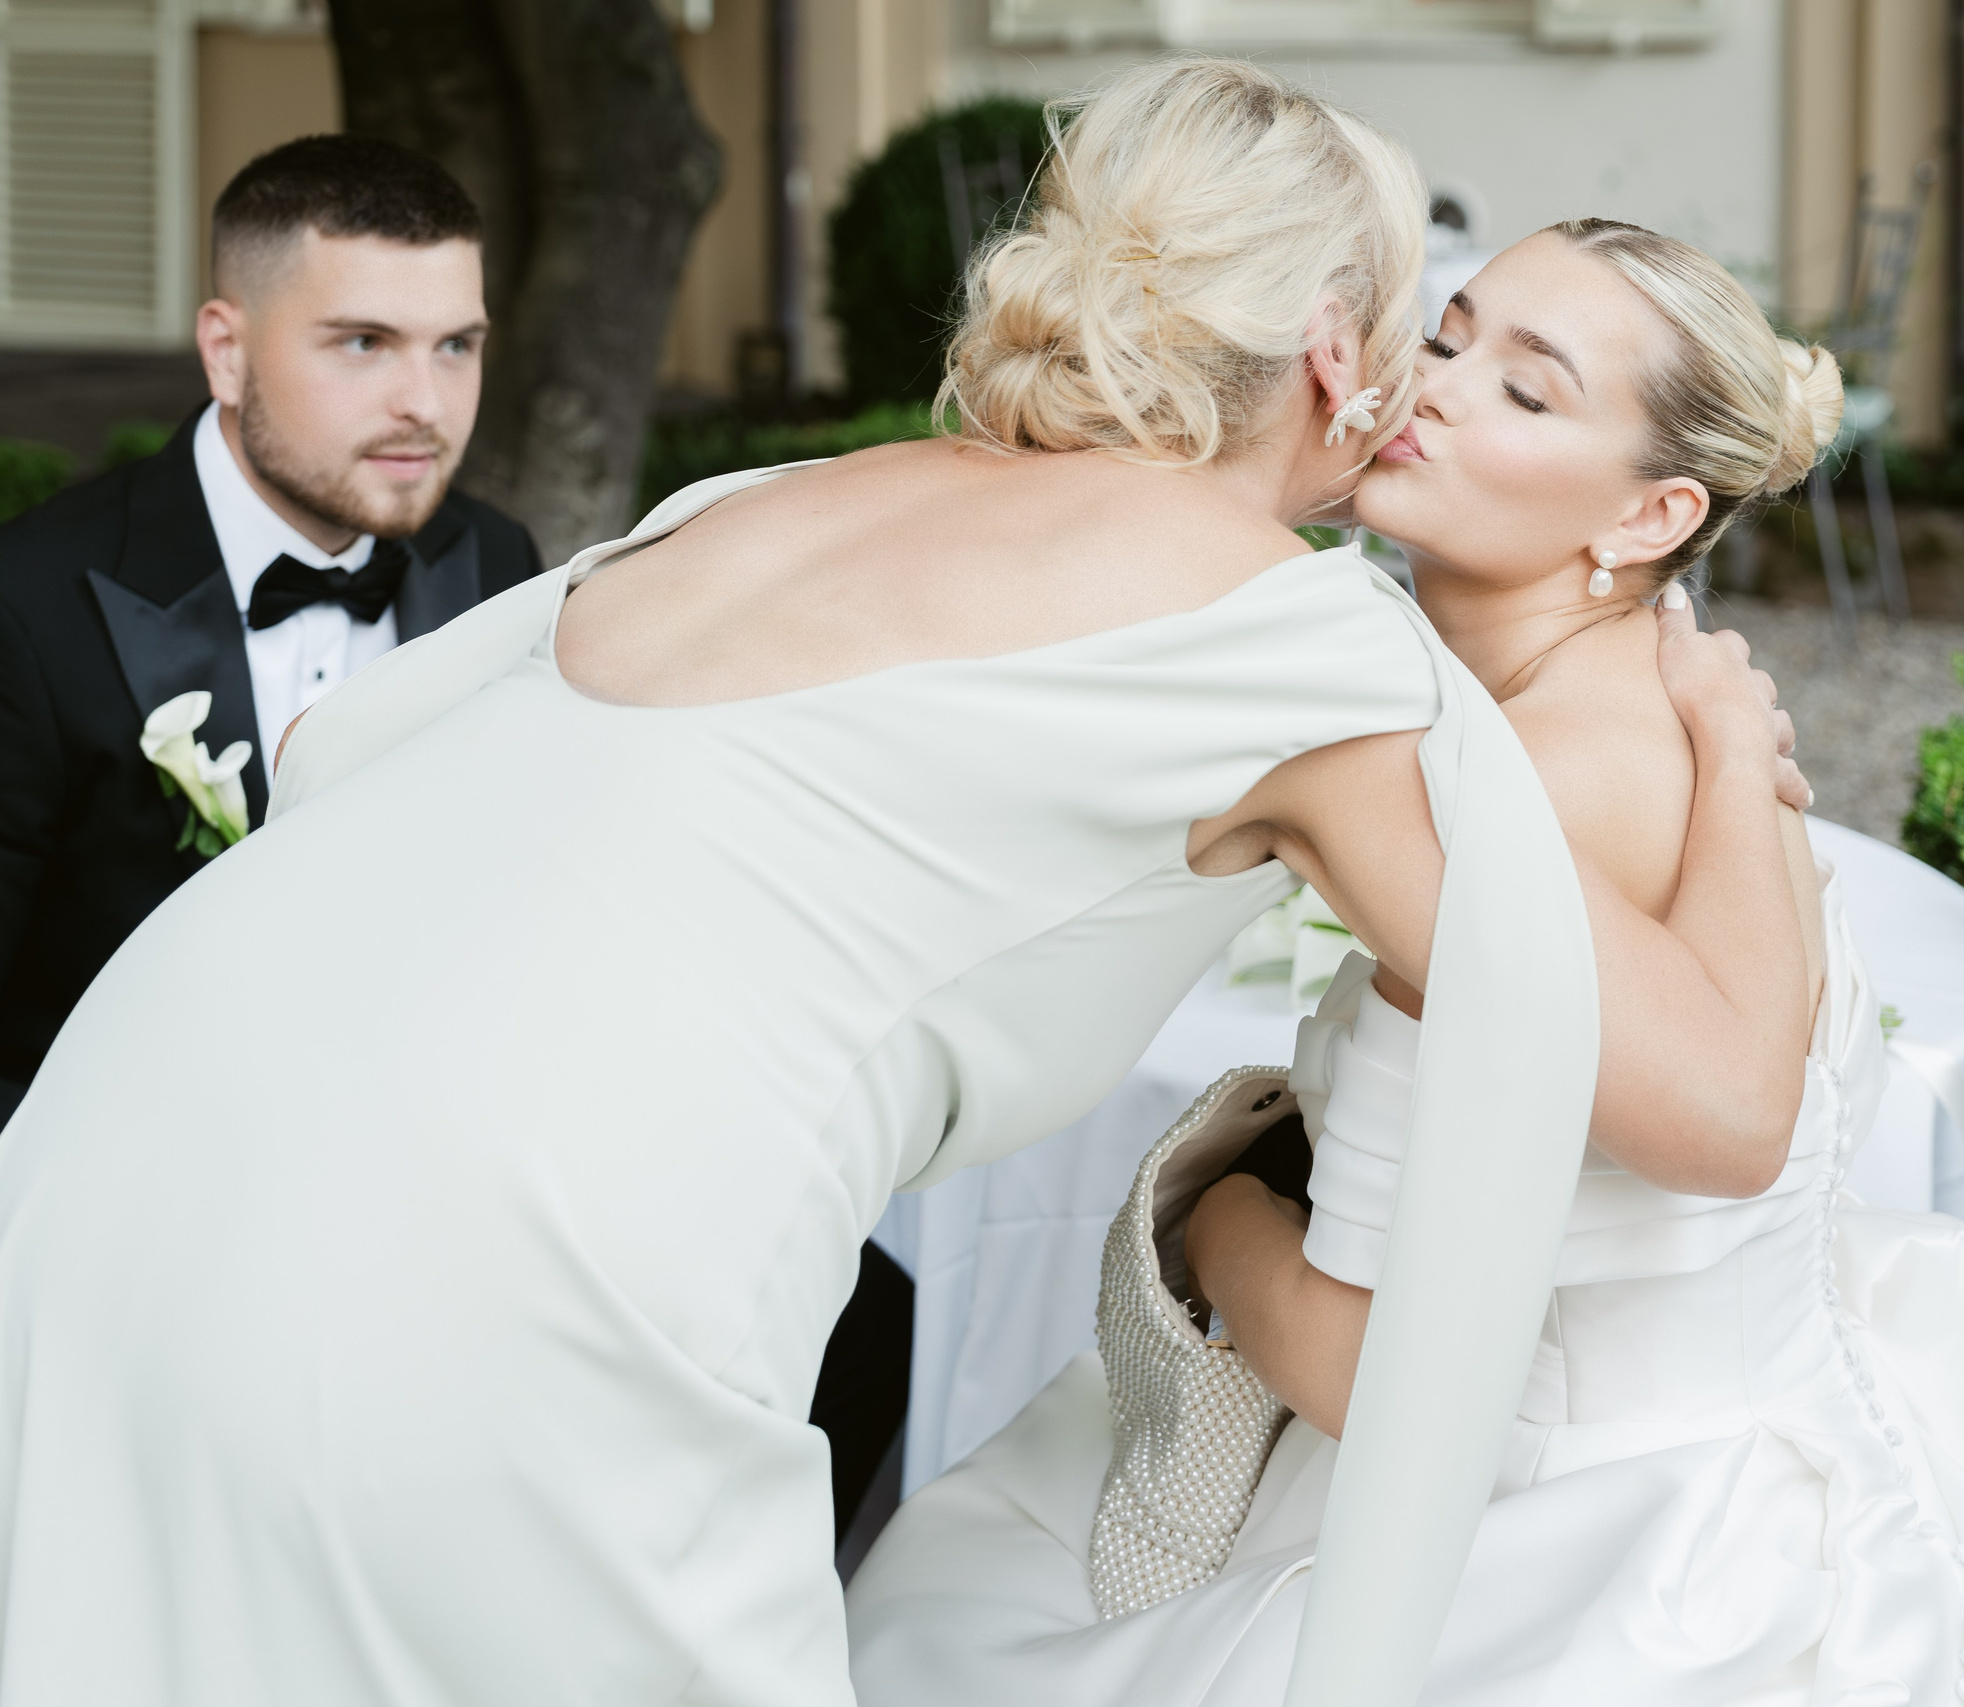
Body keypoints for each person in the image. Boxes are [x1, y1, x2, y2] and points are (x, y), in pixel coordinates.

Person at [0, 63, 1807, 1707]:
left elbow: (351, 761)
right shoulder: (1306, 643)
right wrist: (1734, 749)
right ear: (1336, 353)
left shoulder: (776, 494)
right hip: (510, 1294)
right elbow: (1720, 1103)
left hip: (103, 1165)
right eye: (1425, 327)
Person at [841, 224, 1964, 1705]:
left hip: (1600, 1554)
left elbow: (1369, 1377)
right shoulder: (1677, 710)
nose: (1435, 387)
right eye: (1449, 339)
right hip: (1800, 1439)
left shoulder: (1515, 794)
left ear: (1650, 516)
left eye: (1526, 388)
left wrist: (1213, 1214)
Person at [0, 135, 540, 1119]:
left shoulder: (497, 566)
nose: (425, 405)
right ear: (228, 352)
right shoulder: (28, 607)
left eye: (456, 345)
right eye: (363, 343)